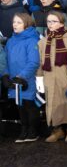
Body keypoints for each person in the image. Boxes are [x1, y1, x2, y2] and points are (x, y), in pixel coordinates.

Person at [37, 11, 67, 142]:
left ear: (62, 23)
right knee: (52, 105)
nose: (50, 24)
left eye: (54, 21)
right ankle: (57, 130)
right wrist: (39, 78)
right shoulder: (42, 42)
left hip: (65, 77)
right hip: (49, 78)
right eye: (48, 22)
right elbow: (40, 62)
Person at [3, 13, 40, 142]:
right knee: (19, 105)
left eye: (19, 22)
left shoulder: (32, 40)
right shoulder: (11, 41)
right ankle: (24, 128)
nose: (15, 25)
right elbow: (6, 60)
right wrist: (6, 75)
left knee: (29, 105)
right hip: (14, 79)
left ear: (26, 24)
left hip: (27, 79)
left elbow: (34, 62)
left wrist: (22, 76)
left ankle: (33, 130)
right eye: (14, 22)